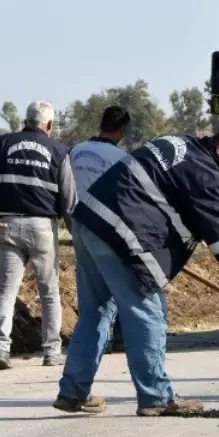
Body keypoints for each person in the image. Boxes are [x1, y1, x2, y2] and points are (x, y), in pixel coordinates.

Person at [54, 124, 219, 416]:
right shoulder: (206, 174)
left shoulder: (181, 143)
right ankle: (156, 396)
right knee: (148, 311)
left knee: (97, 312)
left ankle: (72, 391)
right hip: (120, 234)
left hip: (89, 221)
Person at [0, 100, 77, 371]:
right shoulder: (59, 150)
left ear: (26, 120)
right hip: (42, 228)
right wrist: (75, 232)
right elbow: (69, 199)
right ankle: (52, 351)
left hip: (8, 224)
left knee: (7, 290)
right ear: (49, 125)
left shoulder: (3, 144)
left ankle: (0, 348)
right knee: (49, 292)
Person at [65, 106, 131, 369]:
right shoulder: (120, 157)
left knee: (90, 296)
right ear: (122, 130)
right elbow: (125, 198)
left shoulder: (75, 151)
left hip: (80, 226)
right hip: (108, 228)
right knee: (122, 287)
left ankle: (93, 345)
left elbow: (65, 190)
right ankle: (121, 338)